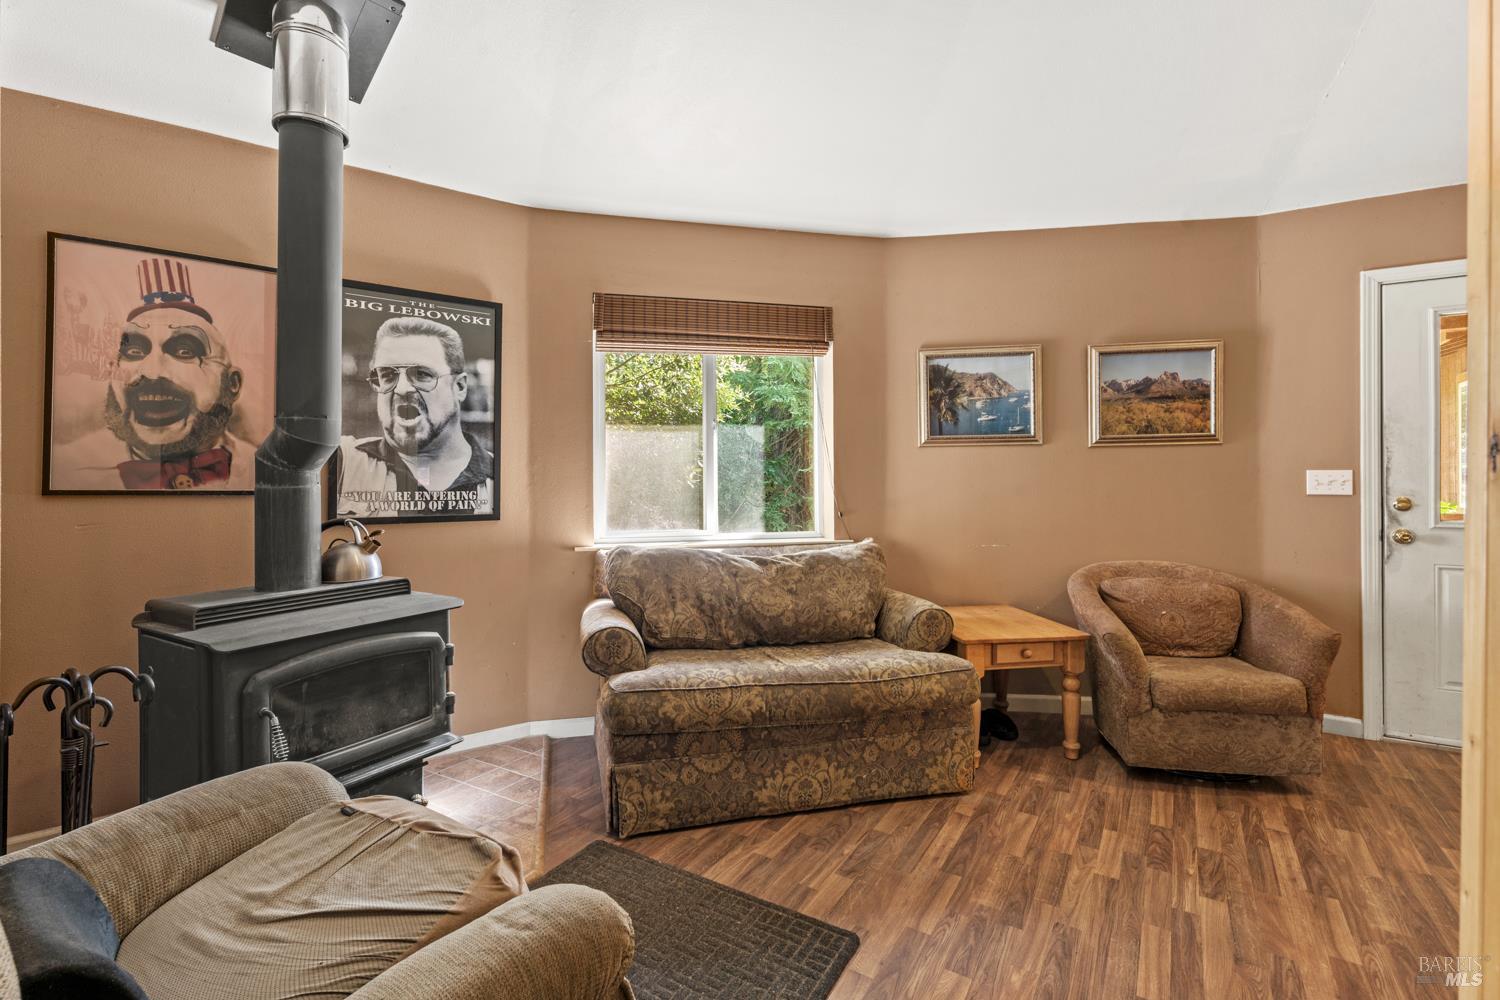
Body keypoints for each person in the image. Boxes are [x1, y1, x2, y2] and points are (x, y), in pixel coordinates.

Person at [53, 257, 256, 490]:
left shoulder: (263, 470)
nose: (152, 372)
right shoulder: (71, 467)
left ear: (232, 384)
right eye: (134, 351)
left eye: (184, 351)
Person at [335, 316, 495, 517]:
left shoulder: (501, 476)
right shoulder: (345, 462)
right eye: (387, 375)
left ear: (459, 387)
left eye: (422, 374)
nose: (402, 389)